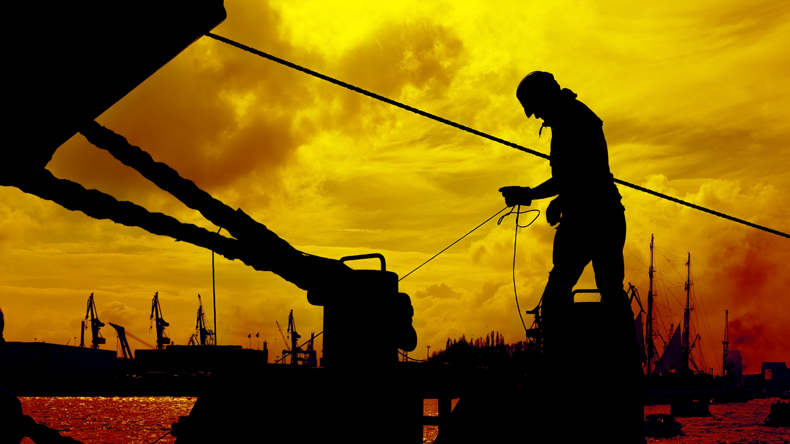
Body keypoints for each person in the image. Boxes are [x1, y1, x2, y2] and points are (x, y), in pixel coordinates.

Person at [500, 71, 644, 443]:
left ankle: (558, 367)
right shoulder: (577, 116)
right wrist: (561, 201)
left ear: (544, 97)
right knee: (610, 292)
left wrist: (531, 194)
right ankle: (627, 361)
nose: (533, 117)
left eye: (531, 107)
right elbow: (584, 175)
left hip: (591, 218)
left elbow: (574, 176)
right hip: (606, 213)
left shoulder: (570, 121)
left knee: (557, 295)